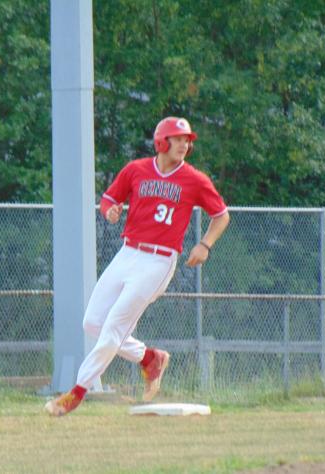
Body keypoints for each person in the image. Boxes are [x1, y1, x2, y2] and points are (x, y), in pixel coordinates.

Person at [45, 116, 230, 416]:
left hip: (158, 261)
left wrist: (205, 244)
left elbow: (221, 215)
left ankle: (76, 394)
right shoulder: (136, 170)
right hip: (128, 253)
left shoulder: (195, 179)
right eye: (178, 138)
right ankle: (149, 359)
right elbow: (108, 199)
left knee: (113, 329)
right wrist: (111, 211)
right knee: (92, 323)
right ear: (161, 141)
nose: (184, 144)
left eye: (187, 140)